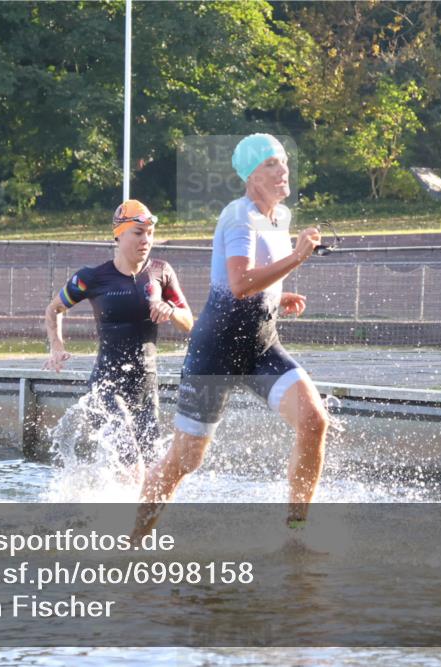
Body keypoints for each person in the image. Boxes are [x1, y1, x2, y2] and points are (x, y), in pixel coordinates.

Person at [135, 133, 328, 536]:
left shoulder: (281, 217)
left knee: (314, 421)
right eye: (271, 164)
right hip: (216, 352)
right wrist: (298, 256)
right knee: (184, 460)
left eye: (283, 161)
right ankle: (133, 539)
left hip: (261, 347)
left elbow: (254, 279)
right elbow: (239, 284)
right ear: (251, 176)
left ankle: (296, 531)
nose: (283, 170)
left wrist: (277, 296)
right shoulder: (239, 216)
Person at [44, 199, 193, 467]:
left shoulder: (161, 272)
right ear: (119, 234)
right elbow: (54, 309)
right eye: (138, 233)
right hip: (106, 386)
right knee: (130, 457)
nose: (146, 240)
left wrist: (170, 310)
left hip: (145, 386)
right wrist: (56, 345)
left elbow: (189, 323)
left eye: (150, 233)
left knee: (152, 466)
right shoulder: (92, 278)